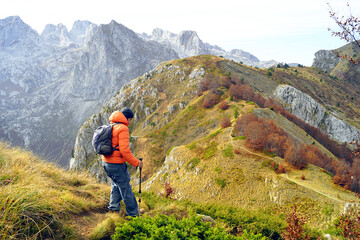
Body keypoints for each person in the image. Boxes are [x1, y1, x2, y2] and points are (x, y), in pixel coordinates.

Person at [101, 107, 143, 216]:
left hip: (106, 162)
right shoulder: (123, 128)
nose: (130, 122)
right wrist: (136, 163)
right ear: (127, 118)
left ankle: (113, 209)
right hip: (116, 165)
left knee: (116, 184)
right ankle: (133, 214)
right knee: (126, 189)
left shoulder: (111, 125)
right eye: (130, 120)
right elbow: (125, 151)